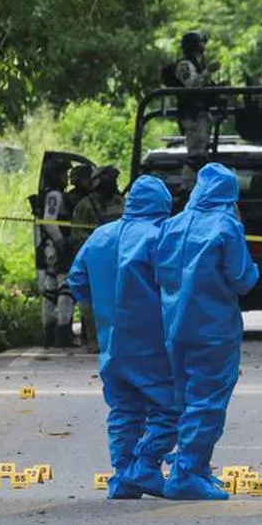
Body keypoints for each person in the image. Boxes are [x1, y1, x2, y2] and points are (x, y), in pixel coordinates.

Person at [67, 175, 179, 499]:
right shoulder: (162, 237)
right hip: (151, 341)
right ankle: (144, 465)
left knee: (124, 410)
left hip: (110, 341)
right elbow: (178, 286)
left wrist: (103, 307)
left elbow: (77, 280)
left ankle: (124, 477)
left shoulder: (100, 236)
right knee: (171, 408)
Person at [155, 163, 259, 500]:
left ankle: (197, 468)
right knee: (208, 403)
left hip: (174, 325)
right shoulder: (227, 227)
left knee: (187, 399)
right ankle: (185, 473)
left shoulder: (172, 224)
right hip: (213, 328)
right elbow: (243, 279)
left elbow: (158, 272)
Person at [72, 166, 127, 353]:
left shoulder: (121, 202)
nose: (114, 184)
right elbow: (78, 235)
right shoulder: (85, 206)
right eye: (109, 180)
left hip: (119, 259)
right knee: (90, 303)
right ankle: (93, 340)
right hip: (95, 262)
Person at [34, 158, 75, 347]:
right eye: (63, 173)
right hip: (55, 246)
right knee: (65, 288)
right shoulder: (55, 195)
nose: (66, 178)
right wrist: (61, 244)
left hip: (48, 247)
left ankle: (49, 334)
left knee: (50, 290)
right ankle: (63, 333)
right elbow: (50, 222)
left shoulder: (46, 194)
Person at [163, 30, 220, 158]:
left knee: (203, 150)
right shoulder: (184, 65)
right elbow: (193, 85)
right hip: (192, 114)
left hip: (202, 112)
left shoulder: (199, 63)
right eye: (200, 42)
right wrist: (208, 71)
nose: (203, 46)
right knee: (196, 153)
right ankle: (192, 170)